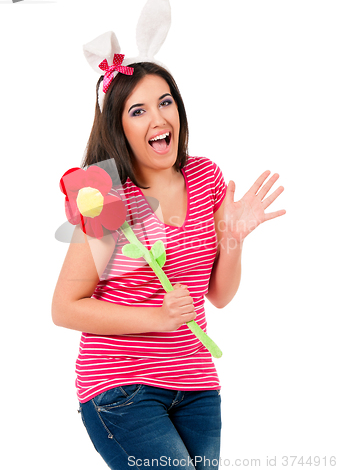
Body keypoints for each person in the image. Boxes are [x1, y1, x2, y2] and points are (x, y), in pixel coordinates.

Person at [52, 61, 285, 469]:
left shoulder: (205, 176)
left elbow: (218, 295)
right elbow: (65, 307)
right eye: (138, 111)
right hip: (122, 387)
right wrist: (158, 318)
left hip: (197, 384)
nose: (158, 118)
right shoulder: (105, 194)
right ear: (118, 127)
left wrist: (233, 239)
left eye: (165, 102)